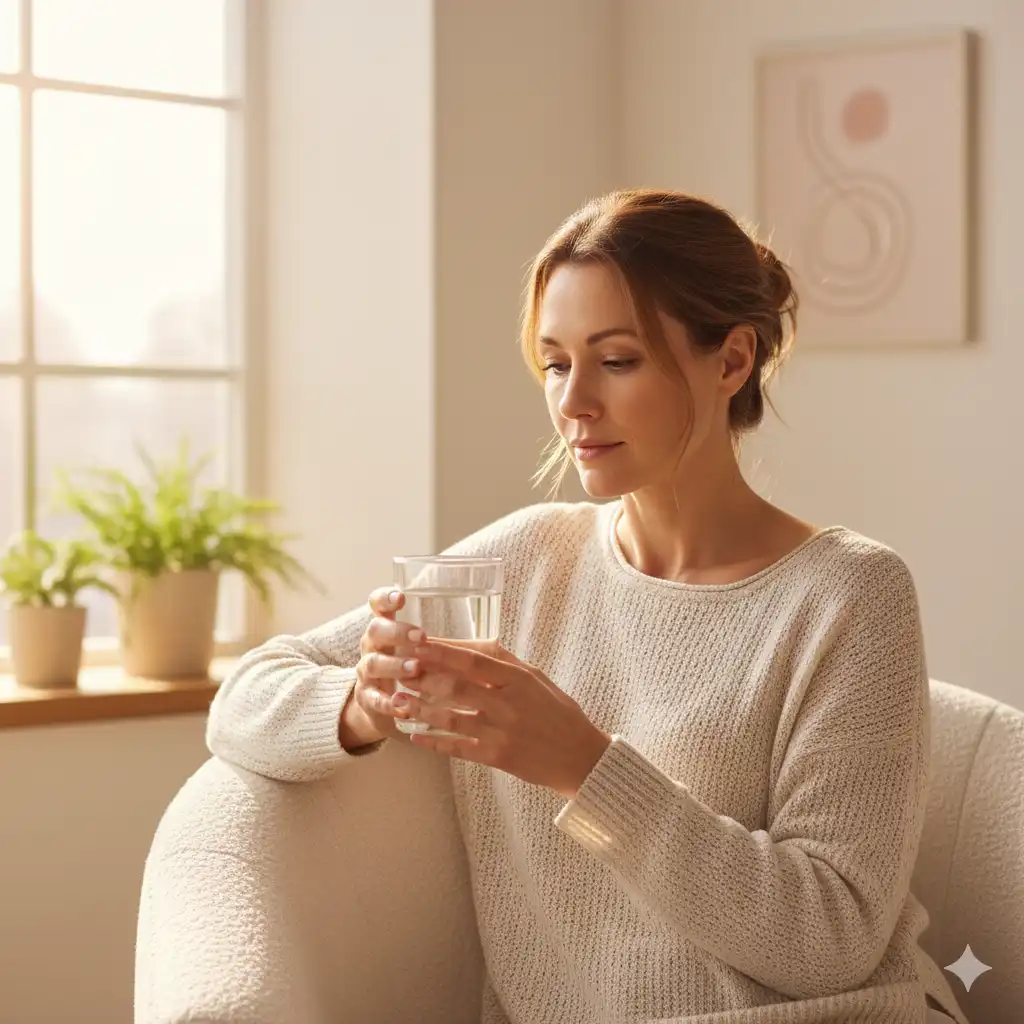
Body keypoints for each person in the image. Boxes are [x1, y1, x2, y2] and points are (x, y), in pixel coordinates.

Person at [206, 189, 966, 1024]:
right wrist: (365, 700)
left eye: (617, 360)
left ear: (731, 361)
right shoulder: (524, 559)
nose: (572, 404)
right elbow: (245, 698)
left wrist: (582, 764)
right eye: (556, 362)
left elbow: (830, 939)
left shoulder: (849, 594)